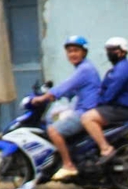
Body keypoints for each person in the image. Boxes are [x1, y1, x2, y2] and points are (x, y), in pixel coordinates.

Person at [27, 36, 100, 173]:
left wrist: (44, 98)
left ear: (84, 52)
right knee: (55, 116)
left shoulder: (84, 69)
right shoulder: (83, 68)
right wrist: (53, 96)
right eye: (70, 51)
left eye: (76, 51)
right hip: (84, 109)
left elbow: (66, 86)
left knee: (53, 130)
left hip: (85, 111)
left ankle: (68, 165)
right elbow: (71, 90)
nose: (72, 54)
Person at [81, 37, 128, 162]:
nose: (110, 53)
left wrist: (98, 104)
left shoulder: (122, 69)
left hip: (125, 108)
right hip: (121, 107)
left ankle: (105, 149)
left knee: (87, 118)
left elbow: (110, 93)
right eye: (108, 50)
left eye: (113, 50)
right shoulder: (119, 68)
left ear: (122, 51)